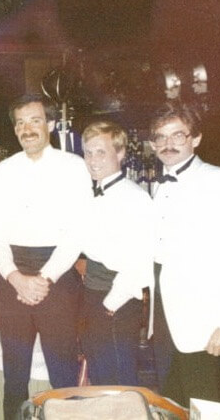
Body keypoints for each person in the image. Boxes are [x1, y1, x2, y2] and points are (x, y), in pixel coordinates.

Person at [0, 94, 92, 419]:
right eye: (20, 122)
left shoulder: (74, 167)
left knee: (62, 372)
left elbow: (77, 232)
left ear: (49, 124)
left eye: (34, 120)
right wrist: (15, 277)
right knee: (13, 375)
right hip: (12, 276)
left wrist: (45, 278)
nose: (26, 128)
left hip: (57, 277)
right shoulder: (2, 171)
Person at [150, 102, 220, 406]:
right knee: (173, 403)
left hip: (205, 318)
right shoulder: (160, 186)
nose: (168, 144)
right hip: (165, 315)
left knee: (207, 406)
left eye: (177, 136)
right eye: (160, 137)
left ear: (195, 139)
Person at [80, 120, 154, 385]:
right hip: (93, 292)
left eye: (101, 152)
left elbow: (139, 260)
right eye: (88, 152)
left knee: (121, 380)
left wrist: (110, 304)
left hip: (116, 300)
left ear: (120, 153)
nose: (93, 159)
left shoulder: (134, 198)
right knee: (100, 377)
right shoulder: (91, 194)